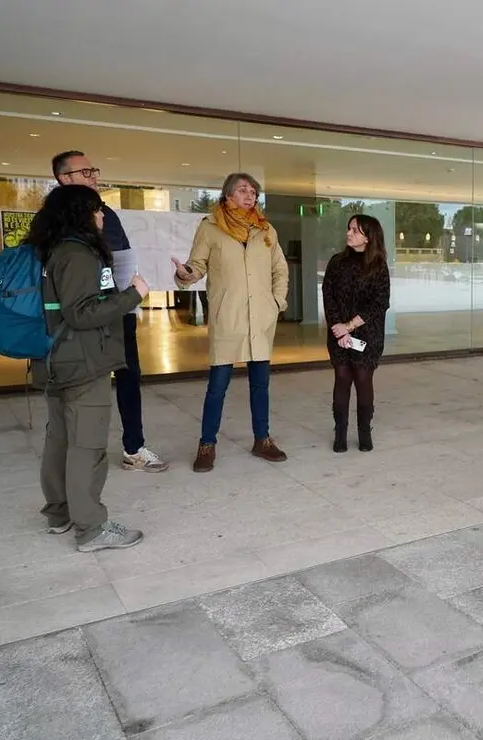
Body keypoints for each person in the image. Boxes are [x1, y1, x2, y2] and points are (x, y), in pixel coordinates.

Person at [29, 185, 148, 552]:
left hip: (55, 359)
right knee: (87, 445)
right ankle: (92, 528)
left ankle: (59, 513)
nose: (102, 217)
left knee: (60, 439)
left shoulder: (51, 250)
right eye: (97, 210)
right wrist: (133, 295)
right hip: (82, 362)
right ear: (81, 213)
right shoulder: (79, 255)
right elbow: (81, 314)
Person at [51, 151, 168, 474]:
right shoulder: (52, 221)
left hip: (115, 311)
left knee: (129, 375)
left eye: (94, 170)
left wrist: (128, 297)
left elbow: (119, 258)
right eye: (84, 171)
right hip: (74, 320)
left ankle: (134, 447)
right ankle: (76, 458)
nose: (93, 176)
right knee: (80, 389)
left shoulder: (107, 214)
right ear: (64, 178)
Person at [173, 173, 290, 472]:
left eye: (253, 191)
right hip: (229, 317)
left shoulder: (266, 230)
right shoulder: (210, 228)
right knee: (218, 385)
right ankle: (207, 444)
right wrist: (186, 274)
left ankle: (262, 439)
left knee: (260, 384)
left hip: (261, 317)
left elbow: (280, 269)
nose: (249, 195)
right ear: (228, 196)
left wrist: (276, 302)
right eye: (242, 190)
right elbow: (197, 265)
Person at [322, 215, 391, 452]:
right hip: (338, 334)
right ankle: (339, 433)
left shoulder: (378, 266)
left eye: (355, 230)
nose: (349, 233)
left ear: (368, 237)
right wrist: (338, 329)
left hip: (367, 335)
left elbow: (379, 303)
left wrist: (349, 326)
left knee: (363, 380)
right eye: (349, 228)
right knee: (342, 378)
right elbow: (328, 296)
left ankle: (364, 431)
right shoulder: (336, 262)